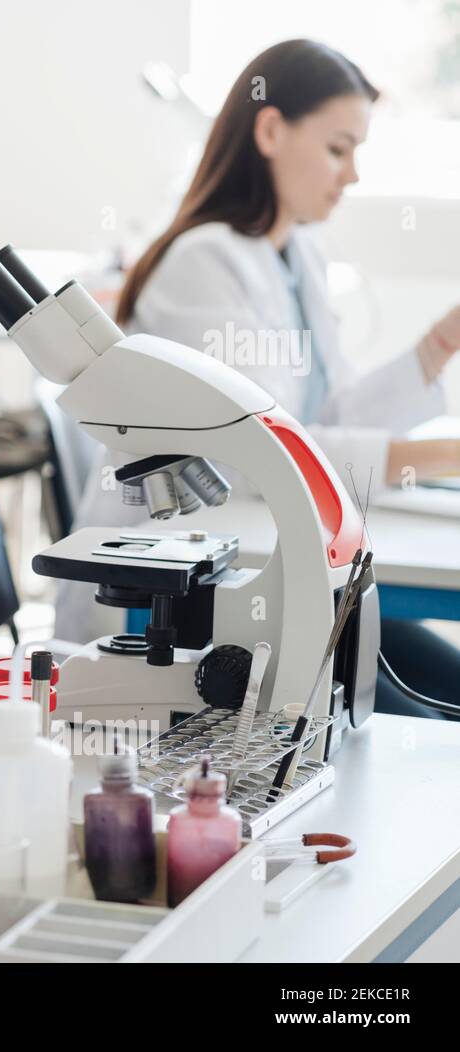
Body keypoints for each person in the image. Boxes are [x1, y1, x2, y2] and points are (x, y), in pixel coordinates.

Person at [62, 39, 460, 718]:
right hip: (181, 605)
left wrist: (438, 345)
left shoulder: (294, 253)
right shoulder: (205, 262)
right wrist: (437, 456)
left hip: (271, 572)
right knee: (420, 723)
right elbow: (261, 455)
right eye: (339, 149)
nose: (353, 174)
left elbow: (326, 410)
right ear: (271, 130)